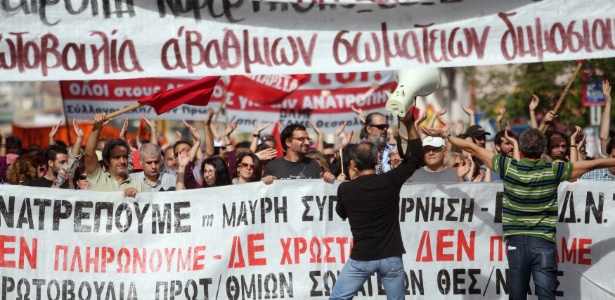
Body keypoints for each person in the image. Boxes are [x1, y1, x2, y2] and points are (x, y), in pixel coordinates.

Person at [421, 126, 615, 300]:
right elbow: (593, 164)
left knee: (517, 295)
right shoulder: (555, 170)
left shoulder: (508, 167)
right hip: (543, 243)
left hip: (516, 243)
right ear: (543, 149)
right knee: (546, 295)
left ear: (520, 149)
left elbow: (473, 148)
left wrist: (447, 135)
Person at [331, 110, 423, 300]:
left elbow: (341, 213)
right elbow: (416, 157)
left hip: (362, 258)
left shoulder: (346, 190)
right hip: (392, 258)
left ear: (353, 165)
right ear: (376, 160)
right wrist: (409, 124)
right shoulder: (390, 181)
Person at [84, 113, 144, 197]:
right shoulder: (97, 178)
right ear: (106, 161)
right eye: (117, 157)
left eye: (125, 157)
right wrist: (97, 127)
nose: (122, 161)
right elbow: (89, 153)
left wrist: (138, 196)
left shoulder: (138, 186)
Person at [263, 124, 335, 182]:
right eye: (301, 139)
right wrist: (265, 183)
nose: (307, 143)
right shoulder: (272, 166)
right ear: (288, 142)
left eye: (308, 139)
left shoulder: (314, 165)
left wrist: (328, 180)